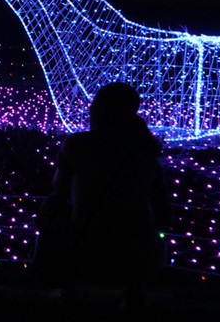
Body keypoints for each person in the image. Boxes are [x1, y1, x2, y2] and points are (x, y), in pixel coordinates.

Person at [52, 82, 171, 309]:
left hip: (86, 245)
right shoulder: (143, 149)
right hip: (138, 249)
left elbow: (59, 188)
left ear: (97, 108)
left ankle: (67, 295)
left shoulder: (78, 144)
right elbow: (164, 209)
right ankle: (134, 300)